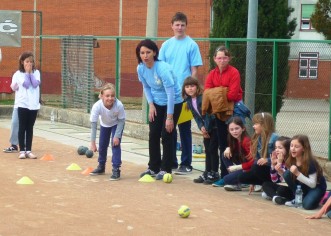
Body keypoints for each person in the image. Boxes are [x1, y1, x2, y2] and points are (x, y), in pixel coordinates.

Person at [159, 12, 203, 175]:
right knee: (169, 129)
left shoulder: (191, 45)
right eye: (177, 24)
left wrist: (190, 90)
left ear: (186, 26)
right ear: (172, 26)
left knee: (184, 128)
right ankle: (171, 161)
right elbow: (161, 67)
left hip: (183, 96)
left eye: (182, 25)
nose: (179, 27)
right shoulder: (166, 45)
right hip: (169, 95)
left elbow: (194, 69)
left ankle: (186, 163)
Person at [136, 39, 183, 180]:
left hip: (173, 102)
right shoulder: (140, 68)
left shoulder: (162, 68)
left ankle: (166, 168)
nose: (145, 56)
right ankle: (153, 167)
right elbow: (146, 87)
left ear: (154, 52)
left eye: (148, 52)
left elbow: (171, 94)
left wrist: (170, 117)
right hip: (156, 103)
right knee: (154, 134)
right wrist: (151, 104)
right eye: (142, 53)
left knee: (167, 133)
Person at [204, 45, 244, 184]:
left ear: (229, 58)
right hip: (219, 112)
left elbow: (233, 95)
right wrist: (222, 92)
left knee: (236, 143)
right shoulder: (212, 74)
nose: (222, 60)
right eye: (219, 58)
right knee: (223, 144)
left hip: (234, 110)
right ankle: (225, 175)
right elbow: (207, 93)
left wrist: (217, 93)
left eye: (225, 57)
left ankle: (239, 176)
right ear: (215, 59)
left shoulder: (234, 72)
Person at [181, 76, 219, 184]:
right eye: (187, 87)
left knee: (212, 149)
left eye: (192, 86)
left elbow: (209, 114)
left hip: (214, 126)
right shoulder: (188, 100)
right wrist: (201, 127)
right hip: (206, 127)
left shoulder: (202, 98)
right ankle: (207, 172)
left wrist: (206, 129)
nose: (190, 89)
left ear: (197, 87)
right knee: (207, 149)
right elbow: (196, 116)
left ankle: (215, 173)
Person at [89, 83, 125, 181]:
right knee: (102, 145)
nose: (110, 98)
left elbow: (121, 121)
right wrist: (92, 143)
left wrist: (117, 136)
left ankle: (116, 169)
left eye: (112, 96)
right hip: (105, 124)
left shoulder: (119, 105)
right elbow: (93, 124)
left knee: (115, 144)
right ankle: (101, 166)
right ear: (102, 96)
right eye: (107, 96)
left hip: (116, 124)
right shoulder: (97, 106)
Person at [279, 135, 327, 210]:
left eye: (296, 146)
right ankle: (298, 197)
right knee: (287, 174)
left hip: (316, 187)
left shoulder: (310, 162)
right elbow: (289, 179)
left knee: (307, 205)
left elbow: (313, 184)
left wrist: (297, 173)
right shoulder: (291, 160)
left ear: (304, 148)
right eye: (291, 146)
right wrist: (280, 172)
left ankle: (321, 197)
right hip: (302, 187)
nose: (293, 149)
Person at [238, 112, 279, 193]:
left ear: (264, 124)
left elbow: (282, 159)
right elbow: (256, 159)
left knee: (256, 167)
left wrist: (268, 160)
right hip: (263, 169)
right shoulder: (258, 138)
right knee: (242, 177)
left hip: (274, 170)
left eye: (256, 124)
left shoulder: (275, 138)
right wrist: (253, 181)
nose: (253, 126)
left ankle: (272, 185)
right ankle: (266, 184)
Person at [11, 52, 40, 159]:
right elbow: (26, 85)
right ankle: (22, 150)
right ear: (22, 62)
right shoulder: (18, 74)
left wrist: (30, 73)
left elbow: (35, 84)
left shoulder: (36, 73)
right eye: (27, 62)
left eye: (31, 62)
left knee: (30, 128)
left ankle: (28, 150)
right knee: (22, 127)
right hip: (22, 104)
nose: (29, 64)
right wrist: (27, 73)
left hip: (33, 105)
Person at [215, 116, 254, 191]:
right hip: (243, 166)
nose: (234, 131)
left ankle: (240, 181)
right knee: (224, 154)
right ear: (228, 130)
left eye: (237, 128)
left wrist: (238, 167)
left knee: (226, 179)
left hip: (250, 169)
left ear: (243, 128)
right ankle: (235, 182)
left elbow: (253, 162)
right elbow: (233, 150)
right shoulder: (233, 139)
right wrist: (228, 148)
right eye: (231, 129)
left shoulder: (246, 141)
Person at [261, 136, 292, 203]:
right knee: (265, 184)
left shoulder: (291, 161)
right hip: (281, 185)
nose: (277, 150)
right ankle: (276, 197)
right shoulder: (279, 160)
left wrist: (280, 163)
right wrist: (273, 165)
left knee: (281, 189)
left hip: (289, 187)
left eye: (280, 148)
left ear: (288, 149)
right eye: (276, 147)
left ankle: (273, 195)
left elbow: (286, 180)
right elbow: (275, 180)